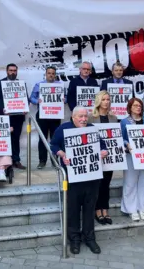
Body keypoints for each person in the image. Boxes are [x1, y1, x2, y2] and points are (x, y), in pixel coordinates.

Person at [50, 106, 108, 255]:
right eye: (80, 117)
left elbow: (103, 146)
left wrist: (104, 152)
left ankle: (90, 238)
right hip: (72, 176)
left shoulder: (92, 128)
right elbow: (53, 145)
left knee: (89, 209)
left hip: (91, 176)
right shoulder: (63, 129)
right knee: (73, 209)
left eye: (85, 116)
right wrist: (61, 153)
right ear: (73, 117)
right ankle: (74, 239)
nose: (83, 119)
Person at [88, 91, 118, 225]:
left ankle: (105, 209)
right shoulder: (91, 118)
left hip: (110, 157)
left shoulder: (113, 117)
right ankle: (97, 210)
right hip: (96, 157)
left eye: (108, 99)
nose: (106, 102)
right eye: (104, 99)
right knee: (97, 184)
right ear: (99, 101)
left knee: (106, 184)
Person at [120, 98, 144, 221]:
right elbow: (121, 138)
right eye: (135, 105)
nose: (138, 107)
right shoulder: (124, 122)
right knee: (130, 182)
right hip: (130, 156)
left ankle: (142, 209)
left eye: (140, 105)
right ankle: (130, 209)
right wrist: (126, 143)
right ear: (130, 107)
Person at [29, 66, 64, 169]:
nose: (51, 75)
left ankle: (54, 160)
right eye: (49, 73)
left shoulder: (60, 86)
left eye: (53, 73)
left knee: (55, 139)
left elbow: (65, 98)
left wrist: (63, 99)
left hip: (55, 115)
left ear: (55, 75)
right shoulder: (39, 85)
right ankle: (42, 161)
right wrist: (37, 101)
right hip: (42, 115)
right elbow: (32, 98)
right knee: (42, 138)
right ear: (46, 74)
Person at [0, 63, 26, 169]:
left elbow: (25, 98)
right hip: (5, 116)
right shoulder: (0, 83)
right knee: (5, 139)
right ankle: (5, 162)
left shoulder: (21, 83)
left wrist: (25, 107)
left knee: (16, 138)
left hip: (18, 117)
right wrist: (3, 109)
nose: (13, 72)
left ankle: (16, 160)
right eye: (11, 70)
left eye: (14, 70)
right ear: (7, 71)